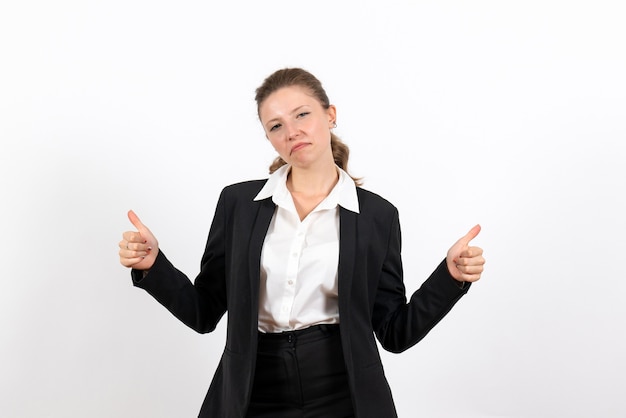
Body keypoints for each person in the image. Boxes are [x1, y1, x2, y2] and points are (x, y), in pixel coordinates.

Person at [118, 67, 485, 418]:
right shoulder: (239, 206)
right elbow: (204, 312)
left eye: (302, 115)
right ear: (269, 139)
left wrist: (450, 278)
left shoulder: (378, 216)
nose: (291, 131)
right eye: (276, 125)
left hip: (343, 389)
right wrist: (154, 266)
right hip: (253, 388)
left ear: (330, 115)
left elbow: (393, 331)